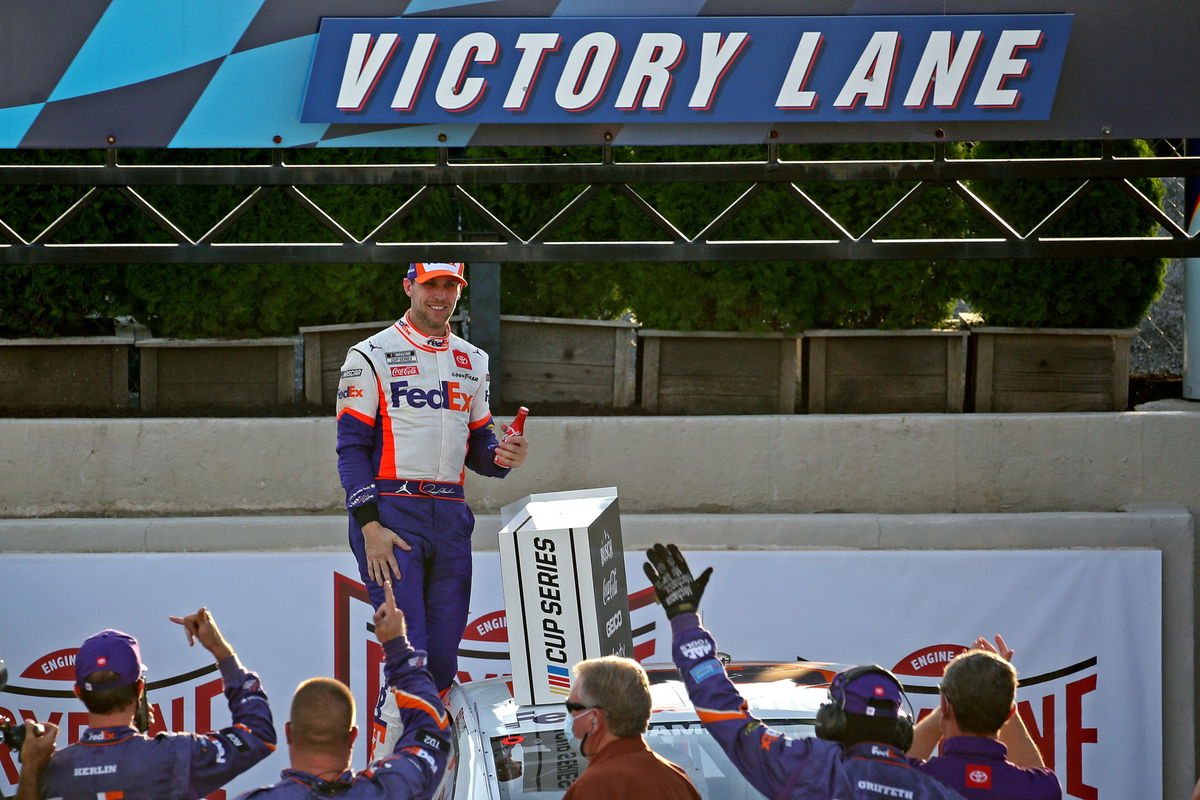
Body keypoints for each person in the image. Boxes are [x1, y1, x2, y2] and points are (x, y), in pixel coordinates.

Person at [335, 261, 529, 692]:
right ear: (408, 287)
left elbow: (481, 451)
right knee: (410, 656)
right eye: (430, 285)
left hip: (451, 517)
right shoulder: (368, 354)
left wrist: (504, 455)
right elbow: (350, 449)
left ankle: (434, 758)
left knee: (442, 661)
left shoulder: (474, 359)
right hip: (392, 514)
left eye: (449, 286)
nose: (440, 295)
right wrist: (369, 526)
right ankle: (397, 758)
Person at [643, 543, 966, 800]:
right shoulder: (934, 789)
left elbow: (720, 707)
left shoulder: (808, 766)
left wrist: (684, 620)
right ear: (900, 729)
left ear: (832, 722)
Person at [15, 608, 275, 800]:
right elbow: (258, 735)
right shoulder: (174, 754)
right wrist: (222, 651)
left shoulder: (48, 770)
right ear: (140, 688)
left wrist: (31, 769)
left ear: (78, 692)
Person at [235, 581, 450, 800]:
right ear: (353, 737)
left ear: (288, 733)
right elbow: (431, 727)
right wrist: (397, 647)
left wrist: (227, 660)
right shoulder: (394, 788)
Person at [908, 637, 1061, 800]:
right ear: (1010, 712)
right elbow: (1035, 778)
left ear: (944, 706)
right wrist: (998, 687)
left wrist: (955, 697)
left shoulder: (912, 781)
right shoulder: (1043, 788)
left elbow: (893, 764)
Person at [562, 656, 700, 800]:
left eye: (571, 707)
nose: (570, 716)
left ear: (594, 719)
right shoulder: (677, 778)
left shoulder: (594, 787)